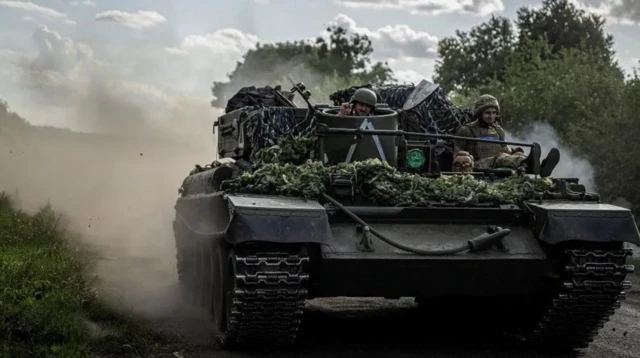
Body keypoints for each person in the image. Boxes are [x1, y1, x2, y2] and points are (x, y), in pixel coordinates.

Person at [452, 94, 560, 177]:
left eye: (494, 113)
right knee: (501, 158)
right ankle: (530, 163)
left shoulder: (498, 130)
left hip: (496, 163)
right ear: (479, 114)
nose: (491, 116)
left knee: (517, 156)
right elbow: (456, 156)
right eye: (487, 113)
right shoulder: (466, 131)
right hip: (477, 165)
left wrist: (514, 151)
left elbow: (506, 150)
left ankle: (541, 168)